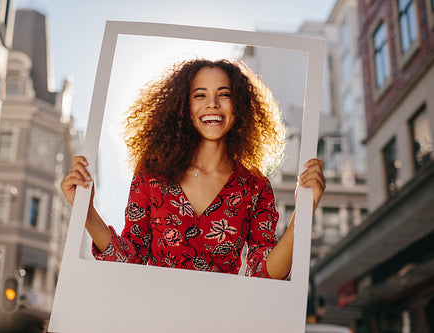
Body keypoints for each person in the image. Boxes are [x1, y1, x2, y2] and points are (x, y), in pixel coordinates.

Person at [61, 59, 325, 279]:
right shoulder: (151, 175)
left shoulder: (255, 186)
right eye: (200, 95)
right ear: (183, 107)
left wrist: (303, 212)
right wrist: (86, 211)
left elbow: (264, 273)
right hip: (153, 319)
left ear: (239, 106)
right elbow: (130, 259)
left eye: (224, 94)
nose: (212, 104)